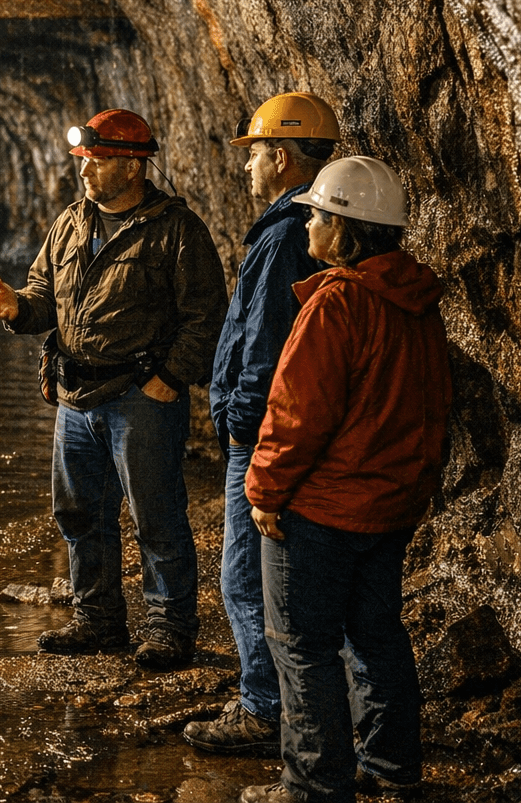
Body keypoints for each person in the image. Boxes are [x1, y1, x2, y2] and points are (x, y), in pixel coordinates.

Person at [0, 109, 227, 669]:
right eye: (84, 161)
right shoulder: (71, 222)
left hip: (140, 396)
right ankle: (98, 618)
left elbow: (206, 316)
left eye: (98, 161)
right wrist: (20, 307)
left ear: (134, 166)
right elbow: (46, 290)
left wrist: (170, 377)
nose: (85, 171)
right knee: (79, 513)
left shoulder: (175, 231)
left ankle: (168, 628)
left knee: (156, 517)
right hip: (75, 398)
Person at [237, 156, 452, 803]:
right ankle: (391, 766)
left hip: (322, 510)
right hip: (387, 506)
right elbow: (431, 405)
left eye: (319, 215)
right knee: (378, 633)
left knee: (303, 646)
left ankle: (314, 784)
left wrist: (264, 492)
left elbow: (298, 411)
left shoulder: (337, 304)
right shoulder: (417, 303)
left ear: (348, 228)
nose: (308, 225)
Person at [184, 93, 338, 756]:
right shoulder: (314, 225)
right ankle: (288, 702)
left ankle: (265, 709)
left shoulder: (281, 238)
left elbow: (268, 348)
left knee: (246, 581)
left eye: (252, 155)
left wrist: (241, 426)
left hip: (265, 435)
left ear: (280, 157)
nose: (246, 168)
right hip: (296, 433)